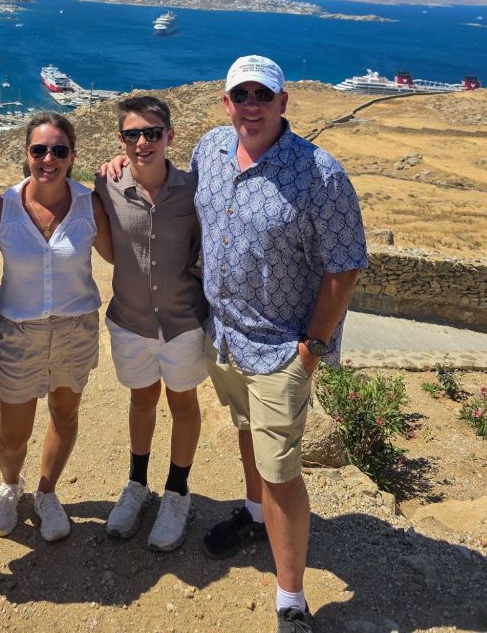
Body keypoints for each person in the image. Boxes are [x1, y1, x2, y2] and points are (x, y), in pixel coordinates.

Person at [191, 55, 368, 633]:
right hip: (224, 337)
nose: (252, 105)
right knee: (246, 431)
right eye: (241, 95)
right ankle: (251, 516)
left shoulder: (319, 173)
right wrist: (123, 163)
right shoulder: (210, 150)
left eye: (262, 95)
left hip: (280, 349)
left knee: (281, 473)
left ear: (283, 103)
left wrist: (311, 346)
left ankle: (291, 599)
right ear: (226, 102)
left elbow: (344, 266)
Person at [0, 110, 113, 542]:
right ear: (26, 153)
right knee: (13, 434)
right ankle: (10, 485)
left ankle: (47, 491)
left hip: (76, 328)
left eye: (59, 150)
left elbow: (120, 255)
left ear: (72, 155)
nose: (48, 159)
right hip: (20, 333)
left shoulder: (90, 204)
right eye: (39, 150)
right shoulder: (1, 208)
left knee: (64, 413)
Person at [94, 95, 207, 552]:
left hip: (183, 321)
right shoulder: (106, 183)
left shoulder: (194, 188)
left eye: (152, 133)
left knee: (183, 404)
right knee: (142, 400)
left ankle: (177, 493)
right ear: (121, 140)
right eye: (132, 135)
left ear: (169, 137)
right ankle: (137, 484)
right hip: (131, 321)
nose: (143, 142)